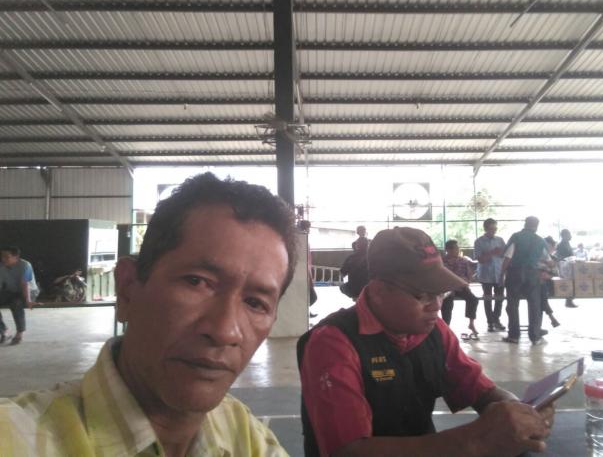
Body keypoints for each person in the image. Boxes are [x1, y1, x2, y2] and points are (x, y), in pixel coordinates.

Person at [0, 173, 296, 456]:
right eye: (197, 281)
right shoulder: (18, 436)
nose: (225, 330)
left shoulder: (244, 435)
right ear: (128, 289)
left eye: (256, 303)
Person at [298, 227, 555, 457]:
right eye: (422, 295)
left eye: (440, 293)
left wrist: (517, 412)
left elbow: (480, 389)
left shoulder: (433, 330)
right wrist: (474, 441)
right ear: (378, 291)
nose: (436, 305)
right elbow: (349, 451)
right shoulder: (332, 343)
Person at [501, 216, 549, 346]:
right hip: (532, 275)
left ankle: (514, 336)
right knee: (534, 305)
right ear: (536, 226)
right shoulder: (540, 240)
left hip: (514, 274)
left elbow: (508, 257)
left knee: (512, 305)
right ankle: (535, 337)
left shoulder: (516, 237)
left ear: (525, 224)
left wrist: (501, 274)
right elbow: (548, 260)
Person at [0, 246, 39, 345]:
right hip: (12, 291)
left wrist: (28, 300)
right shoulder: (1, 266)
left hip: (29, 291)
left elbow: (25, 284)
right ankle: (3, 331)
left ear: (16, 257)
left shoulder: (25, 265)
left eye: (6, 257)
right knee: (14, 299)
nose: (3, 259)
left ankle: (19, 333)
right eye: (2, 256)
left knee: (16, 303)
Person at [473, 218, 506, 332]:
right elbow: (480, 259)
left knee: (500, 298)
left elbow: (505, 255)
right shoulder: (479, 241)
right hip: (486, 274)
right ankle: (490, 322)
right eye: (491, 228)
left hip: (499, 273)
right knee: (487, 298)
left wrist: (500, 253)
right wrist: (492, 253)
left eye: (495, 228)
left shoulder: (500, 240)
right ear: (486, 228)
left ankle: (496, 319)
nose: (494, 230)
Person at [441, 239, 479, 337]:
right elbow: (440, 276)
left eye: (458, 248)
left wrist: (467, 280)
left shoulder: (463, 261)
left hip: (461, 287)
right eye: (456, 248)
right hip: (447, 287)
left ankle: (471, 323)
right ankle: (446, 327)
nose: (458, 250)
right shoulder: (441, 262)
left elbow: (469, 276)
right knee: (447, 303)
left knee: (473, 299)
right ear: (448, 250)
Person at [539, 237, 561, 330]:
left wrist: (549, 276)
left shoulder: (554, 259)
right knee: (541, 295)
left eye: (549, 246)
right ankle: (551, 317)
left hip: (549, 284)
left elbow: (557, 273)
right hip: (539, 284)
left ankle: (550, 317)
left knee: (541, 294)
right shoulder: (536, 257)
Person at [555, 229, 578, 308]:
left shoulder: (567, 243)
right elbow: (560, 257)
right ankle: (569, 301)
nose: (570, 236)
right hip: (565, 267)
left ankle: (569, 300)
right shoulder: (561, 245)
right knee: (569, 283)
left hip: (569, 265)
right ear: (564, 235)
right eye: (569, 234)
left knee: (571, 282)